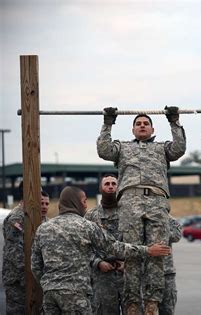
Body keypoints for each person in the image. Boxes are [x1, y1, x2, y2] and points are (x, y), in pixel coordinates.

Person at [97, 107, 186, 314]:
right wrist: (108, 123)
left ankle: (152, 303)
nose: (142, 126)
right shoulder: (123, 148)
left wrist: (174, 121)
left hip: (156, 200)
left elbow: (179, 149)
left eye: (146, 123)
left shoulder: (162, 148)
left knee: (158, 253)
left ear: (153, 128)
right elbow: (104, 150)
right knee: (131, 252)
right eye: (138, 124)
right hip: (130, 200)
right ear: (133, 129)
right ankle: (132, 304)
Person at [31, 186, 171, 314]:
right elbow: (114, 247)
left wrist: (48, 283)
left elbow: (35, 265)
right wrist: (147, 250)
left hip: (49, 295)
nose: (86, 205)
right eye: (84, 201)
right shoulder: (86, 226)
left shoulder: (43, 228)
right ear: (76, 202)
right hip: (75, 294)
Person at [2, 182, 49, 314]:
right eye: (37, 192)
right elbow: (14, 254)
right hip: (18, 279)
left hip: (33, 277)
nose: (40, 195)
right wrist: (34, 273)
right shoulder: (17, 218)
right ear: (27, 193)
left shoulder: (34, 215)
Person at [84, 174, 124, 314]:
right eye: (107, 184)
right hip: (102, 279)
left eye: (114, 183)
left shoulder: (128, 213)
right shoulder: (90, 216)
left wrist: (129, 262)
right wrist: (97, 262)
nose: (111, 186)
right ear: (101, 188)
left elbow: (139, 241)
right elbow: (83, 246)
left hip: (127, 275)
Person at [159, 216, 182, 315]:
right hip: (146, 272)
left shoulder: (169, 219)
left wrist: (158, 231)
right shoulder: (143, 216)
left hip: (166, 271)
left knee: (167, 309)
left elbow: (176, 236)